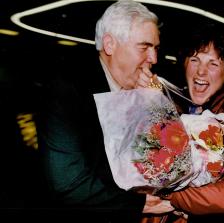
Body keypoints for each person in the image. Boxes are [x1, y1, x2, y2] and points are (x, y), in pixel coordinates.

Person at [36, 0, 173, 221]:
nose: (154, 59)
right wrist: (138, 204)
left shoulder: (140, 88)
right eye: (144, 47)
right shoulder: (68, 90)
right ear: (109, 44)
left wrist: (152, 102)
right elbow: (68, 183)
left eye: (156, 48)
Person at [138, 24, 224, 223]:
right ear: (184, 65)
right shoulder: (169, 105)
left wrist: (168, 196)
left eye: (213, 64)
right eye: (194, 60)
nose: (201, 72)